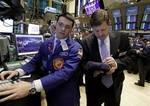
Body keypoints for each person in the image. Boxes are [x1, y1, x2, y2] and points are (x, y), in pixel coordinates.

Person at [0, 12, 83, 106]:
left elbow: (64, 74)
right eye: (60, 24)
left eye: (67, 27)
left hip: (67, 98)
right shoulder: (46, 44)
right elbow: (35, 62)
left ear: (71, 29)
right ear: (55, 24)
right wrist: (18, 71)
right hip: (51, 94)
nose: (63, 29)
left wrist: (33, 86)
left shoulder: (76, 48)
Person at [82, 9, 136, 106]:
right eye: (96, 31)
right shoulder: (86, 42)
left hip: (114, 85)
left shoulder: (121, 38)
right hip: (94, 86)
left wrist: (116, 63)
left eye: (103, 30)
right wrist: (94, 72)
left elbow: (131, 57)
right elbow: (82, 64)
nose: (100, 34)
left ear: (109, 24)